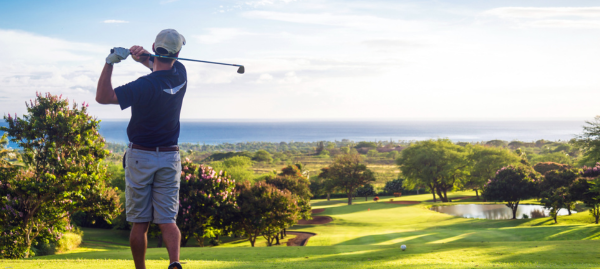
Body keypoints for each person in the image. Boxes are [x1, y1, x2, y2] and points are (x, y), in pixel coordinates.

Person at [95, 29, 187, 269]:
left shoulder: (143, 86)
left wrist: (110, 63)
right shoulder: (181, 74)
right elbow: (159, 65)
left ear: (155, 46)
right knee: (168, 220)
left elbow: (103, 97)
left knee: (140, 222)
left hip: (141, 157)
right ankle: (174, 262)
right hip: (170, 156)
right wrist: (143, 57)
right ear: (178, 53)